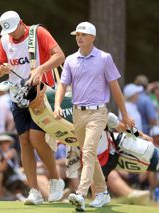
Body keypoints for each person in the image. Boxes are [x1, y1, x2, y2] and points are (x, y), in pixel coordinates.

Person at [54, 21, 135, 211]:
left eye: (83, 34)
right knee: (88, 153)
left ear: (92, 37)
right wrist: (57, 105)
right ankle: (102, 193)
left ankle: (81, 194)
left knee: (89, 152)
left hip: (98, 112)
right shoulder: (71, 60)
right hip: (77, 113)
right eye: (77, 35)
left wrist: (125, 115)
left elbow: (115, 88)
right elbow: (62, 85)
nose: (79, 37)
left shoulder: (104, 58)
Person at [0, 10, 65, 205]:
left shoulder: (38, 32)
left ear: (21, 23)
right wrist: (2, 68)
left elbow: (59, 56)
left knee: (36, 138)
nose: (12, 35)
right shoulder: (5, 41)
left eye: (14, 30)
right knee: (24, 141)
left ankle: (56, 181)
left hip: (41, 95)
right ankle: (34, 191)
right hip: (18, 97)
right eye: (8, 31)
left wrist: (40, 69)